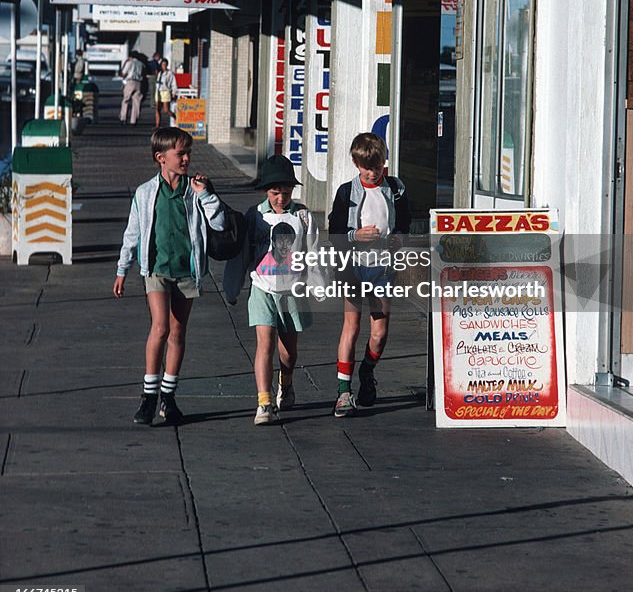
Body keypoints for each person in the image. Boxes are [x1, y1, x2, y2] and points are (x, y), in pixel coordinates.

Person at [113, 127, 227, 425]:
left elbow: (219, 223)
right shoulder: (145, 192)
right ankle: (149, 397)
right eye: (181, 154)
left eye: (189, 152)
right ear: (161, 158)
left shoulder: (196, 188)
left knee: (178, 332)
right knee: (160, 327)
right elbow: (133, 233)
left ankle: (168, 396)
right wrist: (122, 269)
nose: (187, 158)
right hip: (157, 270)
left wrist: (207, 197)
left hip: (187, 271)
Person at [328, 132, 411, 417]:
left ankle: (367, 370)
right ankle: (343, 393)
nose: (373, 173)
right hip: (353, 266)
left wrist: (398, 241)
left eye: (377, 166)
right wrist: (355, 235)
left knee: (380, 332)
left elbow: (405, 225)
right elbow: (335, 233)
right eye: (367, 168)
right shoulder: (346, 191)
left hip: (383, 268)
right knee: (351, 327)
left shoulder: (396, 188)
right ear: (356, 164)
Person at [245, 154, 318, 425]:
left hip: (292, 289)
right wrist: (233, 286)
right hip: (262, 286)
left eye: (286, 193)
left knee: (288, 350)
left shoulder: (303, 216)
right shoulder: (256, 215)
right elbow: (243, 252)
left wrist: (318, 285)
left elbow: (314, 250)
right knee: (264, 344)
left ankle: (285, 383)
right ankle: (264, 402)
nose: (280, 198)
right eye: (275, 193)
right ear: (266, 191)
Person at [119, 52, 145, 125]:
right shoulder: (141, 64)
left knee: (126, 100)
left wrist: (124, 63)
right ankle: (134, 120)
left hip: (130, 81)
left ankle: (123, 117)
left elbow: (123, 73)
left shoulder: (129, 63)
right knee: (136, 101)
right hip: (139, 82)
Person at [155, 58, 177, 128]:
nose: (163, 66)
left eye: (165, 64)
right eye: (162, 64)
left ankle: (175, 116)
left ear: (167, 65)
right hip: (158, 91)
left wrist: (174, 92)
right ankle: (157, 125)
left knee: (166, 110)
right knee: (157, 108)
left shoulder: (170, 73)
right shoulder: (159, 73)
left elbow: (174, 83)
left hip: (166, 92)